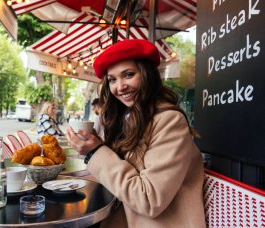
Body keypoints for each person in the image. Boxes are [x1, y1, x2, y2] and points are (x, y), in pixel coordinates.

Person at [66, 39, 205, 227]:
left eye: (129, 75)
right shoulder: (127, 118)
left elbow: (149, 200)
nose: (120, 86)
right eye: (113, 80)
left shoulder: (170, 121)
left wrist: (95, 152)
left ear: (147, 74)